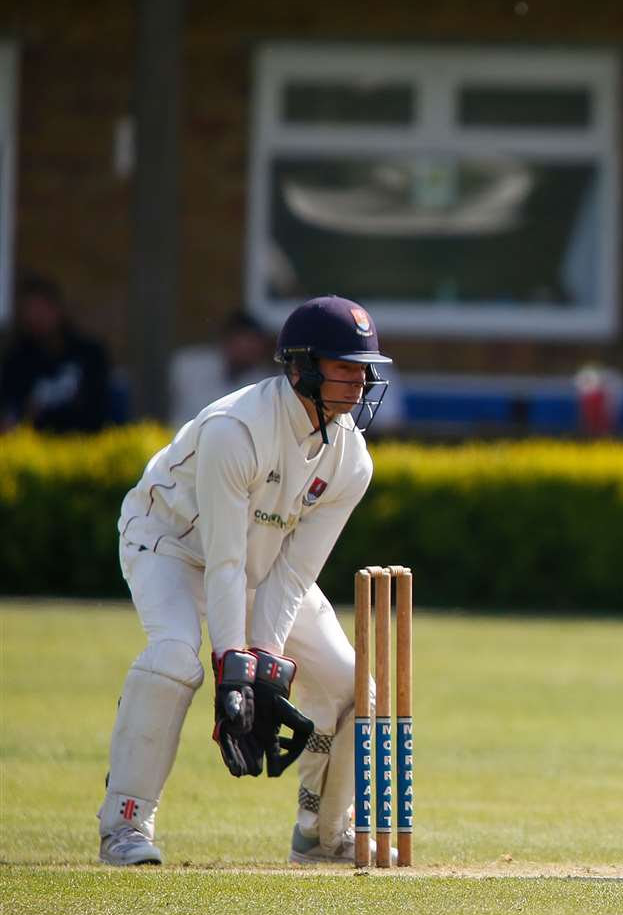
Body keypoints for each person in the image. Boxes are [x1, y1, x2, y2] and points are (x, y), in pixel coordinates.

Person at [98, 295, 392, 866]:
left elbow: (292, 572)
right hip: (171, 545)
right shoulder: (238, 430)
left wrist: (264, 665)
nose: (358, 383)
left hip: (259, 562)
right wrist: (235, 667)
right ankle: (125, 826)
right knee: (175, 659)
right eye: (344, 367)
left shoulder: (352, 458)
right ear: (301, 368)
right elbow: (223, 560)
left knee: (356, 686)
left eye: (364, 370)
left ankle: (321, 832)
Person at [0, 275, 111, 433]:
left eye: (41, 309)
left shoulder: (90, 354)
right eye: (29, 311)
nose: (36, 318)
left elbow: (98, 410)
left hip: (85, 442)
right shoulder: (17, 361)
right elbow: (12, 414)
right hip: (35, 446)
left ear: (57, 309)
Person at [169, 310, 278, 426]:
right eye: (243, 342)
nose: (247, 350)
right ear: (226, 340)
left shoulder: (262, 381)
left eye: (254, 345)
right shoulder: (189, 364)